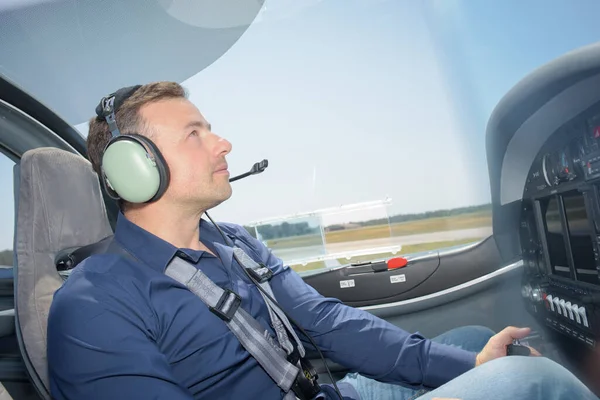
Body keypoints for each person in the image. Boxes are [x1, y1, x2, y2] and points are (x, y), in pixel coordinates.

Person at [46, 81, 598, 400]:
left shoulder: (234, 243)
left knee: (479, 342)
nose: (224, 144)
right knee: (531, 381)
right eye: (196, 133)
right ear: (134, 169)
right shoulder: (93, 305)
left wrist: (471, 368)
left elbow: (329, 324)